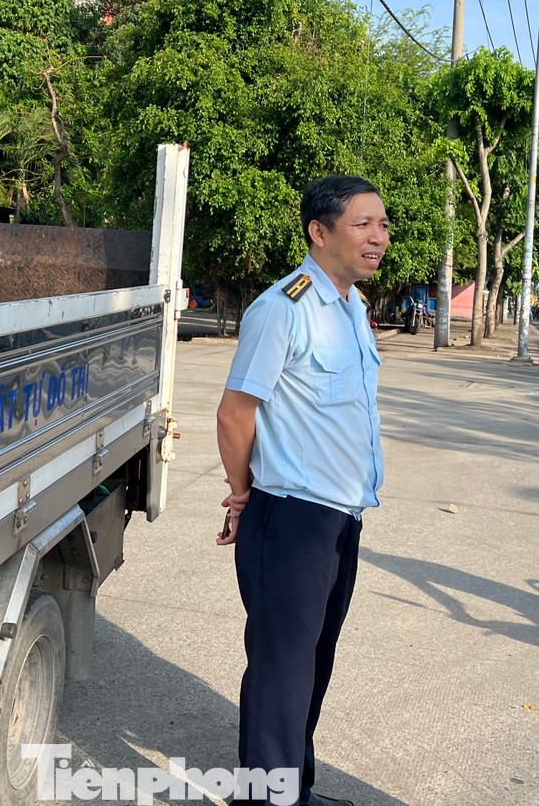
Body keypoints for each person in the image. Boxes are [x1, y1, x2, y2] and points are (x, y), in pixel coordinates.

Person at [215, 175, 388, 806]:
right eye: (363, 224)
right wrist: (242, 493)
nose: (379, 237)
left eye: (383, 225)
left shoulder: (352, 308)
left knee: (313, 662)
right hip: (289, 517)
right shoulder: (281, 308)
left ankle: (294, 789)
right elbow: (236, 412)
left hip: (340, 517)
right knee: (282, 670)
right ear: (319, 233)